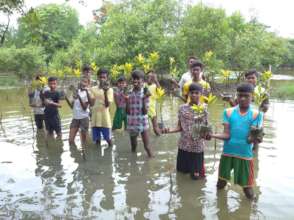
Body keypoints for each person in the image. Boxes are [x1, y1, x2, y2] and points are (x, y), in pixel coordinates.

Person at [209, 83, 263, 199]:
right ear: (236, 96)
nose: (242, 98)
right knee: (221, 183)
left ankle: (251, 209)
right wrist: (211, 135)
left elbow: (249, 140)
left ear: (252, 96)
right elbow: (227, 135)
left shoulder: (257, 114)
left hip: (244, 155)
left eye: (246, 96)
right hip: (227, 152)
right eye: (240, 95)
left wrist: (256, 138)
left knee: (247, 188)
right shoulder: (228, 112)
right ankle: (220, 207)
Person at [162, 83, 209, 180]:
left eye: (197, 93)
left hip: (197, 147)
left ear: (201, 94)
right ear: (188, 94)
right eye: (192, 93)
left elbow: (205, 129)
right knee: (181, 173)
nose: (194, 95)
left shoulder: (204, 108)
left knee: (196, 177)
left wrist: (207, 135)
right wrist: (168, 130)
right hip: (184, 146)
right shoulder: (182, 108)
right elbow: (179, 127)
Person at [126, 70, 153, 157]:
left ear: (142, 81)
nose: (135, 80)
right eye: (134, 78)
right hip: (132, 123)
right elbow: (127, 112)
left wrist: (143, 98)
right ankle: (133, 161)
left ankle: (151, 162)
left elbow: (145, 112)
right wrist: (127, 100)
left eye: (138, 79)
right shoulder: (129, 92)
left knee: (147, 147)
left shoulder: (145, 92)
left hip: (143, 122)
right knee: (133, 146)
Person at [89, 68, 114, 147]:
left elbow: (107, 105)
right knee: (97, 140)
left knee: (108, 139)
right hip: (95, 117)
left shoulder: (110, 90)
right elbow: (91, 103)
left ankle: (110, 155)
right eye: (101, 77)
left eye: (104, 77)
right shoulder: (93, 89)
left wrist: (105, 92)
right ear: (98, 78)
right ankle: (97, 157)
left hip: (104, 118)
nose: (102, 79)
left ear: (107, 78)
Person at [65, 77, 91, 146]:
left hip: (84, 118)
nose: (83, 83)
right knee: (70, 140)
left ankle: (86, 154)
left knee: (83, 142)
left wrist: (79, 97)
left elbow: (85, 108)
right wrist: (66, 98)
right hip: (75, 118)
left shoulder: (88, 93)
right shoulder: (76, 91)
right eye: (82, 81)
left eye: (85, 82)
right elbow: (72, 106)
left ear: (88, 84)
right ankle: (75, 154)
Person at [146, 70, 161, 136]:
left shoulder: (155, 86)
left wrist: (156, 80)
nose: (149, 78)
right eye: (148, 76)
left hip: (152, 109)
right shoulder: (143, 85)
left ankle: (159, 139)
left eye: (151, 77)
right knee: (145, 129)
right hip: (143, 109)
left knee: (155, 128)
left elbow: (160, 92)